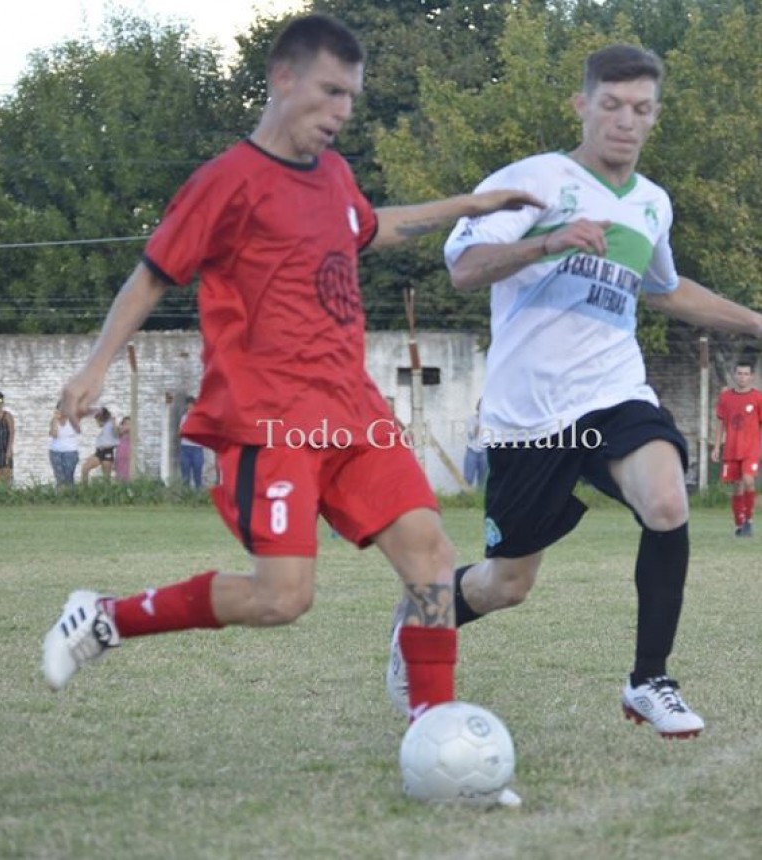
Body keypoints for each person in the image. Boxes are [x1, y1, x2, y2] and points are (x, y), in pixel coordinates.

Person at [40, 13, 542, 751]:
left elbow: (371, 226)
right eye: (331, 91)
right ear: (283, 78)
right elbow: (150, 277)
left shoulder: (334, 175)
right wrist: (95, 367)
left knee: (432, 556)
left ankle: (433, 732)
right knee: (282, 599)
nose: (342, 110)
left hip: (354, 412)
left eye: (351, 97)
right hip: (268, 421)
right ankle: (106, 618)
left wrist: (471, 205)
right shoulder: (226, 183)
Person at [386, 44, 762, 740]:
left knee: (667, 501)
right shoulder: (533, 180)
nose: (626, 120)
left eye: (641, 108)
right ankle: (422, 614)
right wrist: (547, 242)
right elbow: (465, 269)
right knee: (506, 584)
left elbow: (665, 289)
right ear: (582, 106)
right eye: (611, 105)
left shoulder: (651, 204)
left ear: (655, 116)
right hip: (527, 417)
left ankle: (649, 679)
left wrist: (756, 321)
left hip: (613, 392)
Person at [711, 361, 762, 536]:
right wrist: (716, 447)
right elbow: (720, 423)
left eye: (746, 374)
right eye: (739, 373)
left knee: (748, 480)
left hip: (751, 449)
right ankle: (739, 524)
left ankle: (749, 520)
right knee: (737, 485)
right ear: (734, 375)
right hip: (732, 448)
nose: (742, 377)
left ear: (751, 377)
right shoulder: (726, 397)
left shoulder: (757, 397)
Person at [81, 407, 120, 485]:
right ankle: (85, 488)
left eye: (97, 419)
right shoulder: (105, 426)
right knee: (85, 468)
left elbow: (117, 434)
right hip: (99, 452)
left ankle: (106, 490)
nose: (96, 422)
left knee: (106, 477)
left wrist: (114, 423)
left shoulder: (111, 424)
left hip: (107, 452)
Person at [49, 402, 80, 486]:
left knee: (69, 476)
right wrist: (55, 420)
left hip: (70, 451)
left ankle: (70, 492)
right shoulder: (54, 421)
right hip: (55, 451)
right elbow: (53, 434)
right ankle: (60, 491)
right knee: (59, 477)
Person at [179, 397, 205, 489]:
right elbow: (180, 433)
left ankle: (198, 493)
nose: (189, 408)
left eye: (191, 406)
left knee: (197, 474)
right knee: (185, 475)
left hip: (197, 448)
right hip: (185, 447)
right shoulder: (184, 417)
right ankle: (186, 494)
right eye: (188, 406)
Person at [463, 400, 488, 488]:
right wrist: (480, 423)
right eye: (481, 407)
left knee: (482, 481)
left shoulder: (490, 421)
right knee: (468, 478)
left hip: (484, 453)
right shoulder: (471, 419)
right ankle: (465, 495)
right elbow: (471, 436)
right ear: (478, 408)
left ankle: (478, 496)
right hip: (472, 452)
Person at [114, 416, 132, 481]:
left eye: (129, 423)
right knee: (119, 472)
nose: (127, 425)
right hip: (120, 456)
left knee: (127, 473)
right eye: (125, 423)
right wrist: (114, 423)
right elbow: (116, 431)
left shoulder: (131, 433)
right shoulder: (120, 434)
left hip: (128, 456)